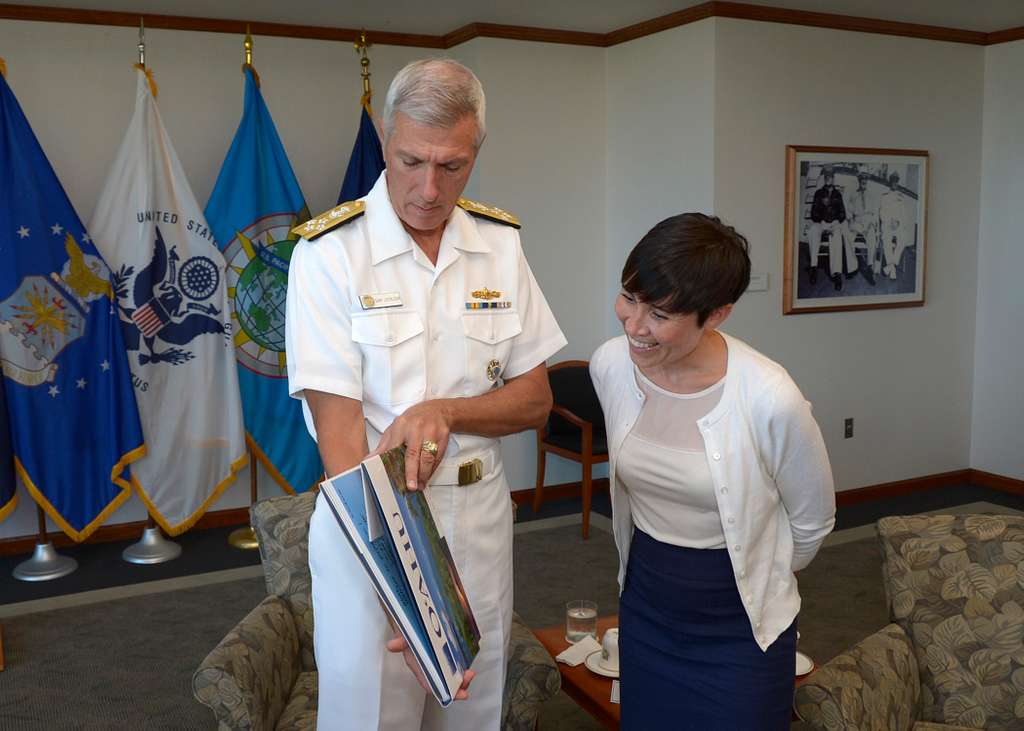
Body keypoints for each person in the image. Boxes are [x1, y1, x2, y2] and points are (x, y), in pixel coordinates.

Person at [285, 58, 567, 730]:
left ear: (476, 152)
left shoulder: (498, 245)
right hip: (374, 529)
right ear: (386, 141)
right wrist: (419, 604)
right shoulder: (329, 254)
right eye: (412, 161)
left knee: (473, 711)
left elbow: (535, 399)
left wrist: (446, 410)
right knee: (372, 716)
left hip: (479, 517)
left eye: (452, 165)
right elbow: (342, 445)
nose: (429, 187)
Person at [589, 213, 836, 730]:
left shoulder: (771, 398)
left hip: (739, 624)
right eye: (629, 299)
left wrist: (758, 571)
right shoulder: (611, 365)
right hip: (647, 603)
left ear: (717, 314)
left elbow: (812, 522)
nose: (635, 326)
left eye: (660, 313)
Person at [806, 166, 855, 290]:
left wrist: (836, 222)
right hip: (821, 223)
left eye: (831, 176)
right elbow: (813, 213)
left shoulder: (838, 194)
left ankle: (837, 273)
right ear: (824, 178)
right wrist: (821, 222)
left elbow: (842, 213)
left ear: (833, 178)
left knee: (837, 236)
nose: (829, 178)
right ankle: (813, 267)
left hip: (834, 224)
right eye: (827, 176)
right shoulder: (818, 193)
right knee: (812, 231)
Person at [844, 171, 879, 285]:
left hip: (868, 221)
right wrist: (851, 220)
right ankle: (852, 267)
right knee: (848, 236)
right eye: (861, 179)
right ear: (859, 181)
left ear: (867, 181)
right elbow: (849, 212)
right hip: (857, 221)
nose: (864, 181)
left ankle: (869, 267)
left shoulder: (872, 195)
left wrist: (872, 223)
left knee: (872, 237)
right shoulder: (853, 195)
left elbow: (875, 213)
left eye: (865, 180)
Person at [879, 171, 912, 280]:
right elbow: (882, 213)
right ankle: (892, 269)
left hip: (898, 225)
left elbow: (904, 215)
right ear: (890, 183)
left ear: (897, 183)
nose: (894, 184)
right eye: (892, 181)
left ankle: (890, 266)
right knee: (886, 239)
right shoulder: (884, 197)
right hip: (888, 225)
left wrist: (898, 222)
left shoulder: (901, 198)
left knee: (904, 238)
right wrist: (890, 221)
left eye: (896, 182)